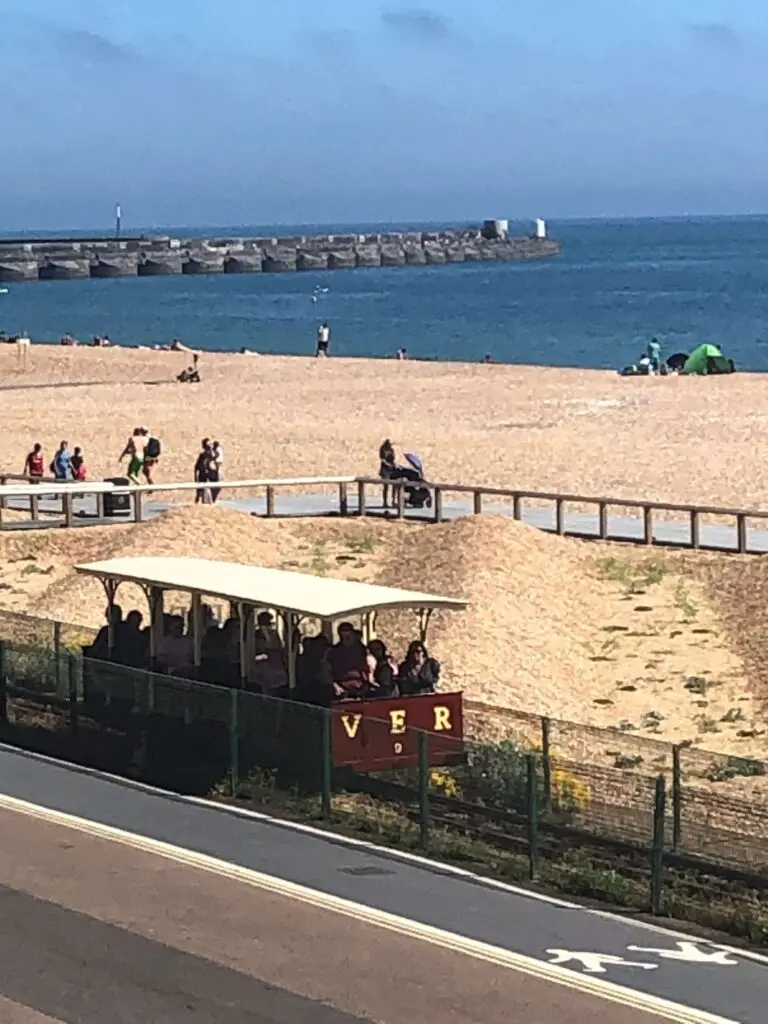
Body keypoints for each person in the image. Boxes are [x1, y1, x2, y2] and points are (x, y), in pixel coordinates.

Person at [323, 622, 374, 699]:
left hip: (360, 686)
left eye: (348, 633)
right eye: (343, 634)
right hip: (341, 686)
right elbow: (330, 670)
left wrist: (366, 681)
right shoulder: (335, 651)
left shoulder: (360, 649)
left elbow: (364, 667)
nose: (346, 637)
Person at [194, 438, 215, 503]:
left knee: (208, 490)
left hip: (209, 475)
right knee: (200, 491)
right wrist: (196, 476)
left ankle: (209, 502)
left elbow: (213, 456)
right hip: (203, 475)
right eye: (208, 445)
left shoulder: (211, 454)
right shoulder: (203, 455)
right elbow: (197, 466)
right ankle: (198, 503)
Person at [378, 438, 396, 509]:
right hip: (384, 470)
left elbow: (393, 459)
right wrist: (388, 464)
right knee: (386, 486)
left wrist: (394, 465)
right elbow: (382, 459)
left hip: (391, 469)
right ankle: (385, 502)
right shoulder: (382, 449)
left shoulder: (392, 450)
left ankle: (393, 500)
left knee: (395, 484)